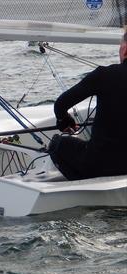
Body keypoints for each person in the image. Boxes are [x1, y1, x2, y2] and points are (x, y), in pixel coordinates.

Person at [48, 28, 127, 181]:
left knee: (57, 144)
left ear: (125, 50)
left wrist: (65, 121)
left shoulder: (104, 74)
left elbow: (61, 104)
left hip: (100, 164)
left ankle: (83, 185)